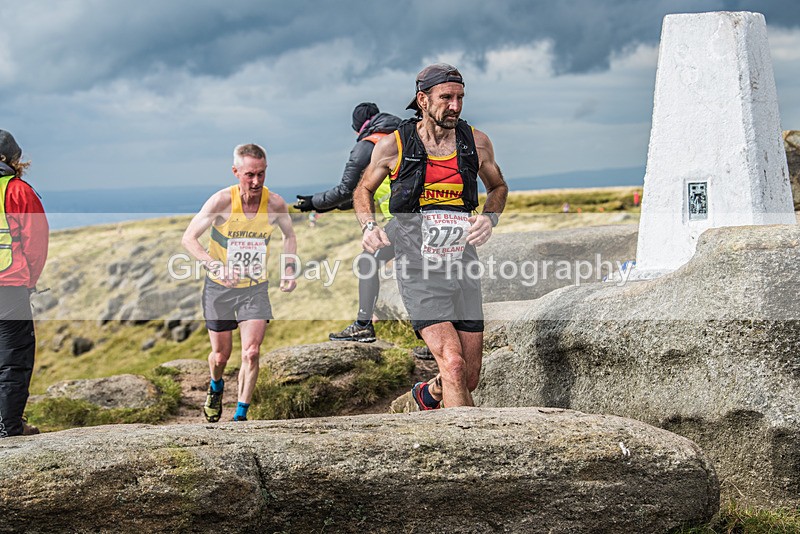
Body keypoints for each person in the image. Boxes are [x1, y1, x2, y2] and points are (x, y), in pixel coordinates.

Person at [354, 64, 508, 409]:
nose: (455, 105)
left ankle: (428, 395)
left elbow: (498, 186)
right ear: (422, 100)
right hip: (416, 263)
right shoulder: (394, 145)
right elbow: (363, 189)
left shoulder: (476, 142)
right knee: (452, 361)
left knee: (468, 376)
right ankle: (464, 448)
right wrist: (369, 227)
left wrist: (489, 218)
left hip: (462, 262)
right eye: (446, 98)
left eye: (460, 98)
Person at [182, 143, 297, 422]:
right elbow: (188, 239)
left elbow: (289, 235)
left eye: (261, 174)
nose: (256, 181)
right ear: (236, 172)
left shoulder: (275, 204)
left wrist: (289, 268)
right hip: (219, 288)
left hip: (254, 289)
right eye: (249, 175)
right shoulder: (221, 202)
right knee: (220, 357)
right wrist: (216, 266)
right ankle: (216, 385)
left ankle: (240, 416)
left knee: (252, 352)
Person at [294, 103, 402, 343]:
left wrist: (314, 202)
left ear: (357, 128)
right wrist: (328, 206)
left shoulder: (368, 145)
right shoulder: (403, 135)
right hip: (428, 215)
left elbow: (346, 189)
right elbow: (359, 196)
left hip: (404, 221)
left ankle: (363, 325)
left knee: (367, 261)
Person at [0, 129, 48, 437]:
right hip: (8, 289)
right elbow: (35, 243)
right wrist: (28, 280)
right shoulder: (18, 191)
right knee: (12, 359)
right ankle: (8, 429)